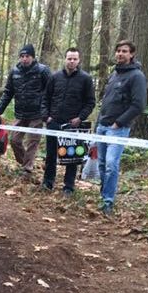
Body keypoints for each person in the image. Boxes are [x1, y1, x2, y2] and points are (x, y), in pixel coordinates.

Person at [95, 40, 147, 216]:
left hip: (118, 128)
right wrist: (98, 123)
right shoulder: (114, 74)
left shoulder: (137, 76)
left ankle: (108, 202)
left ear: (132, 54)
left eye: (124, 51)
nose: (120, 54)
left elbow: (139, 105)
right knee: (101, 164)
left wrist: (119, 122)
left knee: (111, 164)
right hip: (102, 126)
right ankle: (103, 197)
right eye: (118, 51)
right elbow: (105, 103)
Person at [40, 47, 96, 196]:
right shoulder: (55, 77)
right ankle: (48, 182)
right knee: (51, 154)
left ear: (79, 60)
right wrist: (46, 117)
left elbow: (90, 102)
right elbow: (45, 98)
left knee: (72, 157)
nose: (71, 61)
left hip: (73, 125)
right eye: (69, 58)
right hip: (54, 122)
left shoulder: (85, 79)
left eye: (74, 59)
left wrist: (80, 118)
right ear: (65, 59)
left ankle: (68, 187)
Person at [0, 43, 51, 178]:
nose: (24, 59)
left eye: (27, 56)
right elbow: (8, 92)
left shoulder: (43, 71)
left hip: (37, 114)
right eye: (22, 56)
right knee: (14, 140)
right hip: (21, 113)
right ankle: (25, 163)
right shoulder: (14, 72)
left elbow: (51, 92)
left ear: (33, 57)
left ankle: (27, 170)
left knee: (32, 142)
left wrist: (48, 112)